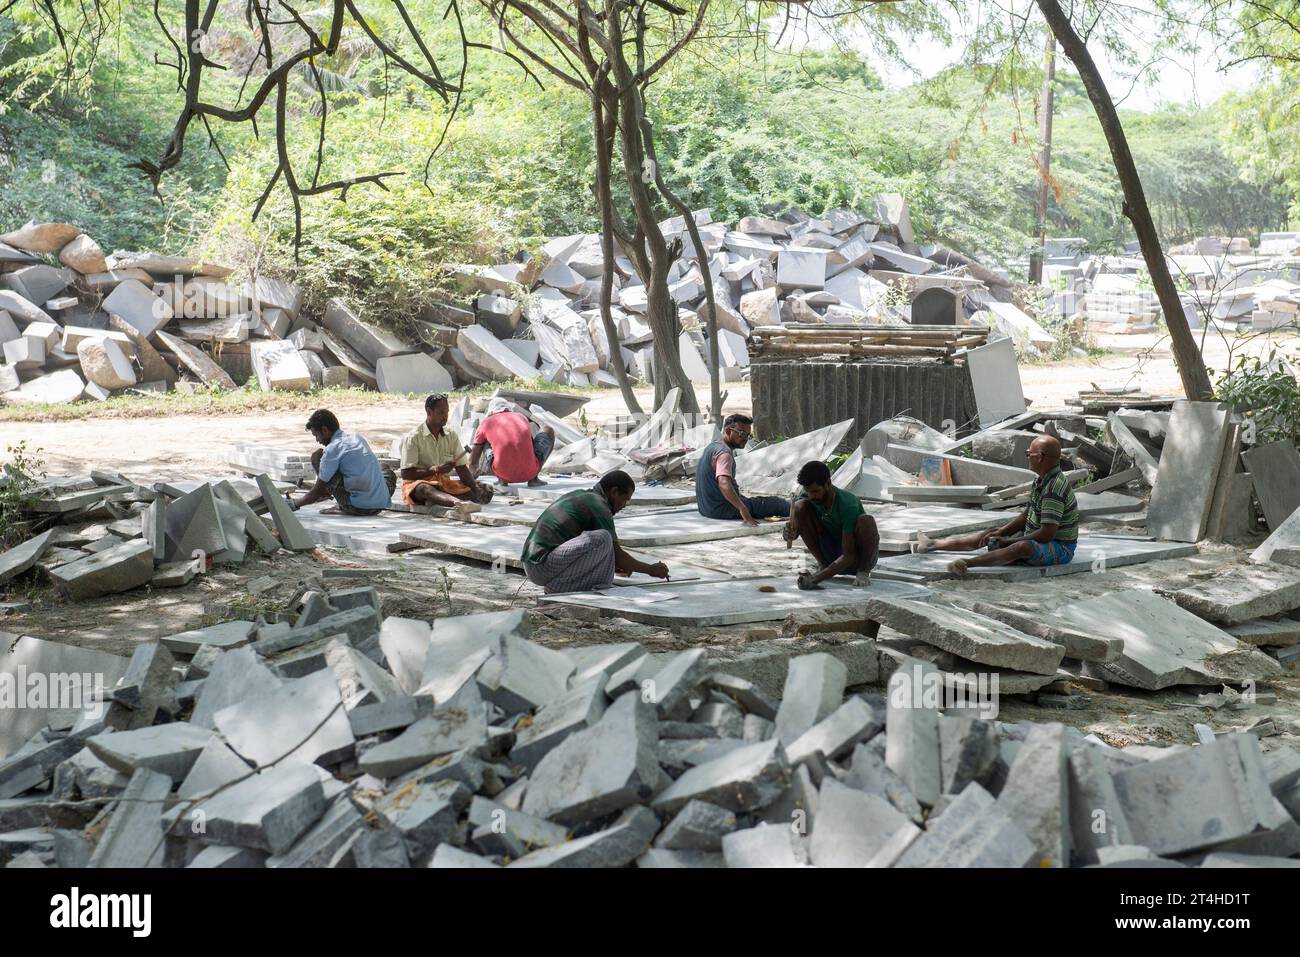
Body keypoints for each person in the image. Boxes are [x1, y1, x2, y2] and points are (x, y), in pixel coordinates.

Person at [914, 435, 1079, 576]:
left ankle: (967, 563)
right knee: (991, 534)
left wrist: (1007, 542)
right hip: (1041, 538)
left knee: (1021, 547)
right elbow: (1026, 516)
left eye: (1029, 453)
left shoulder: (1053, 488)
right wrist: (1002, 533)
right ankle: (933, 544)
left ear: (1040, 457)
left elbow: (1046, 534)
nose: (1027, 456)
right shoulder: (1041, 480)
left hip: (1060, 547)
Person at [521, 470, 670, 594]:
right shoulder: (599, 506)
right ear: (614, 492)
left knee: (606, 548)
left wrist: (613, 565)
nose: (623, 506)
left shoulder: (585, 496)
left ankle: (560, 585)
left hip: (535, 564)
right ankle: (558, 588)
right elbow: (618, 555)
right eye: (624, 500)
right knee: (603, 538)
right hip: (542, 565)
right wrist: (650, 569)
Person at [783, 460, 880, 589]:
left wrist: (815, 580)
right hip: (830, 553)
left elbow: (848, 556)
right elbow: (795, 530)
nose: (811, 496)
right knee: (800, 506)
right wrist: (790, 533)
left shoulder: (848, 503)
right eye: (808, 492)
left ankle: (863, 571)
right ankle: (823, 564)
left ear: (828, 483)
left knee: (866, 521)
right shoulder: (809, 495)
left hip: (854, 558)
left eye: (816, 492)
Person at [288, 409, 395, 516]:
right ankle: (363, 498)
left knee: (316, 456)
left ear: (325, 430)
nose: (317, 440)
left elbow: (317, 492)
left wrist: (294, 504)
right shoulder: (356, 437)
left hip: (357, 508)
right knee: (384, 467)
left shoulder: (332, 449)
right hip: (381, 504)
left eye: (316, 435)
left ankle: (344, 506)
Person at [398, 393, 494, 507]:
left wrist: (475, 488)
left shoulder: (451, 435)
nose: (445, 416)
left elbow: (462, 469)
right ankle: (457, 503)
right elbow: (406, 474)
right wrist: (435, 470)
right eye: (441, 412)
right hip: (416, 484)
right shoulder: (413, 437)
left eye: (447, 412)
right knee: (425, 489)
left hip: (443, 483)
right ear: (429, 412)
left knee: (485, 488)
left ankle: (439, 499)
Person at [695, 414, 792, 525]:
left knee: (759, 502)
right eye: (741, 433)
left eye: (747, 435)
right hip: (722, 509)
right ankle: (803, 507)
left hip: (706, 509)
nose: (745, 438)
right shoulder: (724, 454)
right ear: (728, 431)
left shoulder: (712, 447)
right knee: (776, 504)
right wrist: (742, 508)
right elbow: (723, 482)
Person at [468, 397, 555, 488]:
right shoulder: (521, 417)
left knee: (483, 441)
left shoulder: (485, 423)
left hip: (502, 473)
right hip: (530, 472)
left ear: (491, 412)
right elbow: (530, 446)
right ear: (508, 409)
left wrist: (472, 474)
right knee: (548, 430)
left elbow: (473, 459)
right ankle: (534, 479)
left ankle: (501, 480)